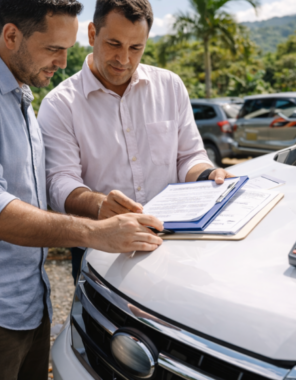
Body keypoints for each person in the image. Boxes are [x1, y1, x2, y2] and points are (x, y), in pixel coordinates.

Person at [0, 0, 163, 378]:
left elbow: (34, 191)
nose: (63, 62)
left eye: (67, 49)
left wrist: (97, 206)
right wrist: (95, 233)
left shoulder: (18, 95)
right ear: (12, 35)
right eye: (53, 49)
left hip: (27, 307)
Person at [37, 0, 233, 283]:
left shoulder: (170, 86)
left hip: (172, 242)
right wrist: (99, 204)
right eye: (114, 44)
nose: (124, 59)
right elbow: (59, 182)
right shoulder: (60, 104)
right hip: (101, 251)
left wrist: (208, 174)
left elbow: (189, 157)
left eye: (135, 48)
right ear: (92, 34)